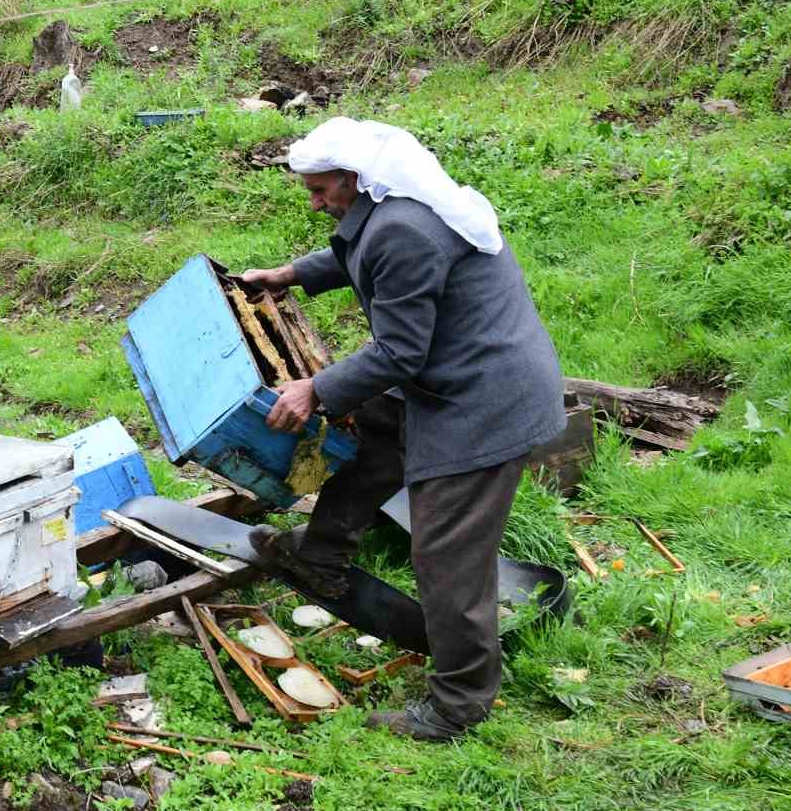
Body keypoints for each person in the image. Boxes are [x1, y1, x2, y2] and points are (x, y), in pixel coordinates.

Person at [241, 116, 564, 742]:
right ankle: (324, 554)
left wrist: (316, 388)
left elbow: (399, 354)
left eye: (320, 191)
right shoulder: (395, 205)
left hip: (483, 400)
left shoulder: (404, 229)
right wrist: (291, 275)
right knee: (372, 422)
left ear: (357, 178)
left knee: (446, 553)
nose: (315, 203)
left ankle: (458, 704)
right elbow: (358, 254)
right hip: (460, 373)